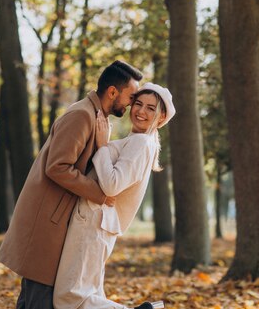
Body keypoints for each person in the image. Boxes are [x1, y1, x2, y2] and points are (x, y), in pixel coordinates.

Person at [0, 60, 143, 309]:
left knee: (35, 300)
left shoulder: (96, 118)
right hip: (47, 220)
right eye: (131, 97)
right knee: (39, 299)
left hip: (59, 219)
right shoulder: (82, 115)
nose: (132, 105)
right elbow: (57, 167)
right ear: (112, 92)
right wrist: (99, 194)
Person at [53, 82, 175, 309]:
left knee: (69, 297)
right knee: (88, 292)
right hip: (98, 223)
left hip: (93, 221)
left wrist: (102, 147)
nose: (141, 111)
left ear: (161, 117)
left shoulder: (141, 143)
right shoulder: (140, 142)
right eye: (138, 104)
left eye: (151, 108)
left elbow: (112, 185)